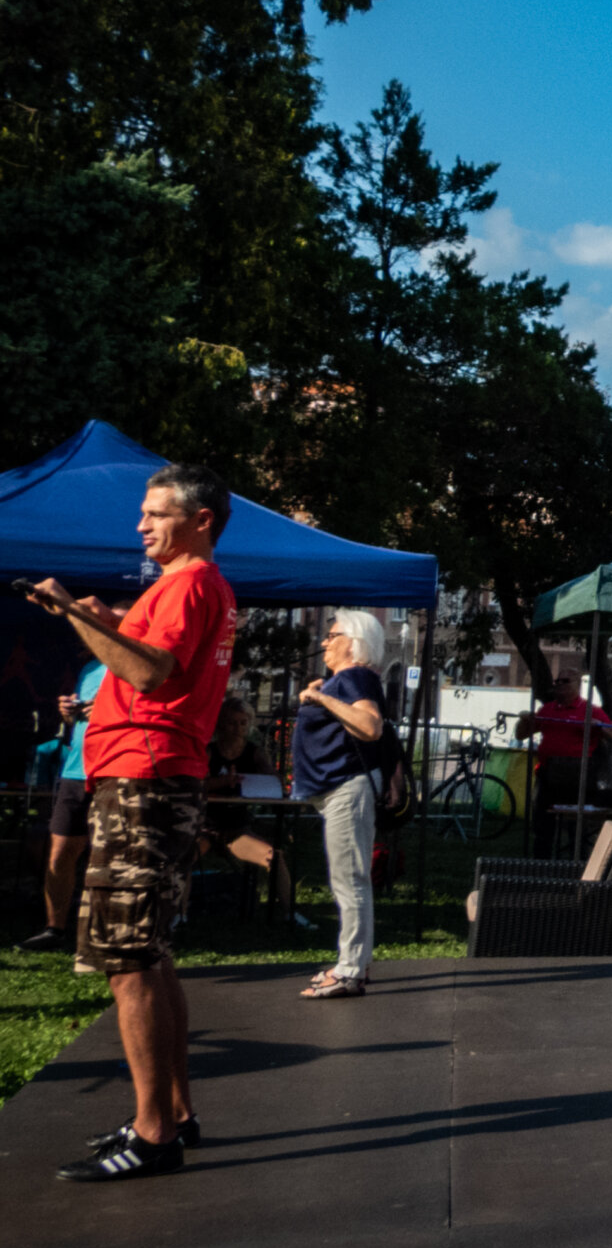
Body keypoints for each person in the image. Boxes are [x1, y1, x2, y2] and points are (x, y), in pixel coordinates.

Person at [26, 465, 238, 1183]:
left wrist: (81, 618)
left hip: (144, 779)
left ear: (200, 520)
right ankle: (172, 1113)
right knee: (149, 952)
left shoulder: (186, 583)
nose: (140, 526)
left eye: (155, 514)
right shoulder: (189, 587)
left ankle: (154, 1134)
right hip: (151, 774)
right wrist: (110, 621)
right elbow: (161, 664)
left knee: (127, 958)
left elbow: (149, 675)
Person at [292, 612, 389, 1000]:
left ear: (354, 641)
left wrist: (321, 697)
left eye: (333, 635)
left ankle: (349, 970)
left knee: (349, 881)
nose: (325, 642)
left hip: (345, 788)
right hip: (337, 788)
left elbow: (370, 726)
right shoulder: (346, 680)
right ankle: (356, 961)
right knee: (349, 879)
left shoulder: (354, 676)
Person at [18, 648, 110, 955]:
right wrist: (69, 713)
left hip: (114, 771)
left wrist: (109, 711)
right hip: (75, 771)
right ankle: (54, 928)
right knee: (59, 854)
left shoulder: (138, 664)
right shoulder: (90, 668)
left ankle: (102, 931)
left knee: (106, 855)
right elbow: (81, 720)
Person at [202, 696, 294, 913]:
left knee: (274, 856)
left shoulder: (254, 752)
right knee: (183, 859)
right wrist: (222, 782)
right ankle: (179, 917)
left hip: (237, 830)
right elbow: (197, 785)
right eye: (232, 722)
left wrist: (276, 781)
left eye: (243, 722)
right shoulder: (208, 751)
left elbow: (272, 782)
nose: (237, 728)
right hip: (205, 827)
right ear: (221, 723)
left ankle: (290, 914)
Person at [519, 674, 612, 859]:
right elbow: (521, 735)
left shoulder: (589, 710)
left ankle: (576, 865)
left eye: (565, 680)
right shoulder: (547, 710)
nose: (559, 684)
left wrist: (598, 725)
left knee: (577, 827)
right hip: (548, 775)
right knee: (542, 825)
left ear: (577, 685)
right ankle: (541, 866)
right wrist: (525, 721)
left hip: (577, 775)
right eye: (557, 681)